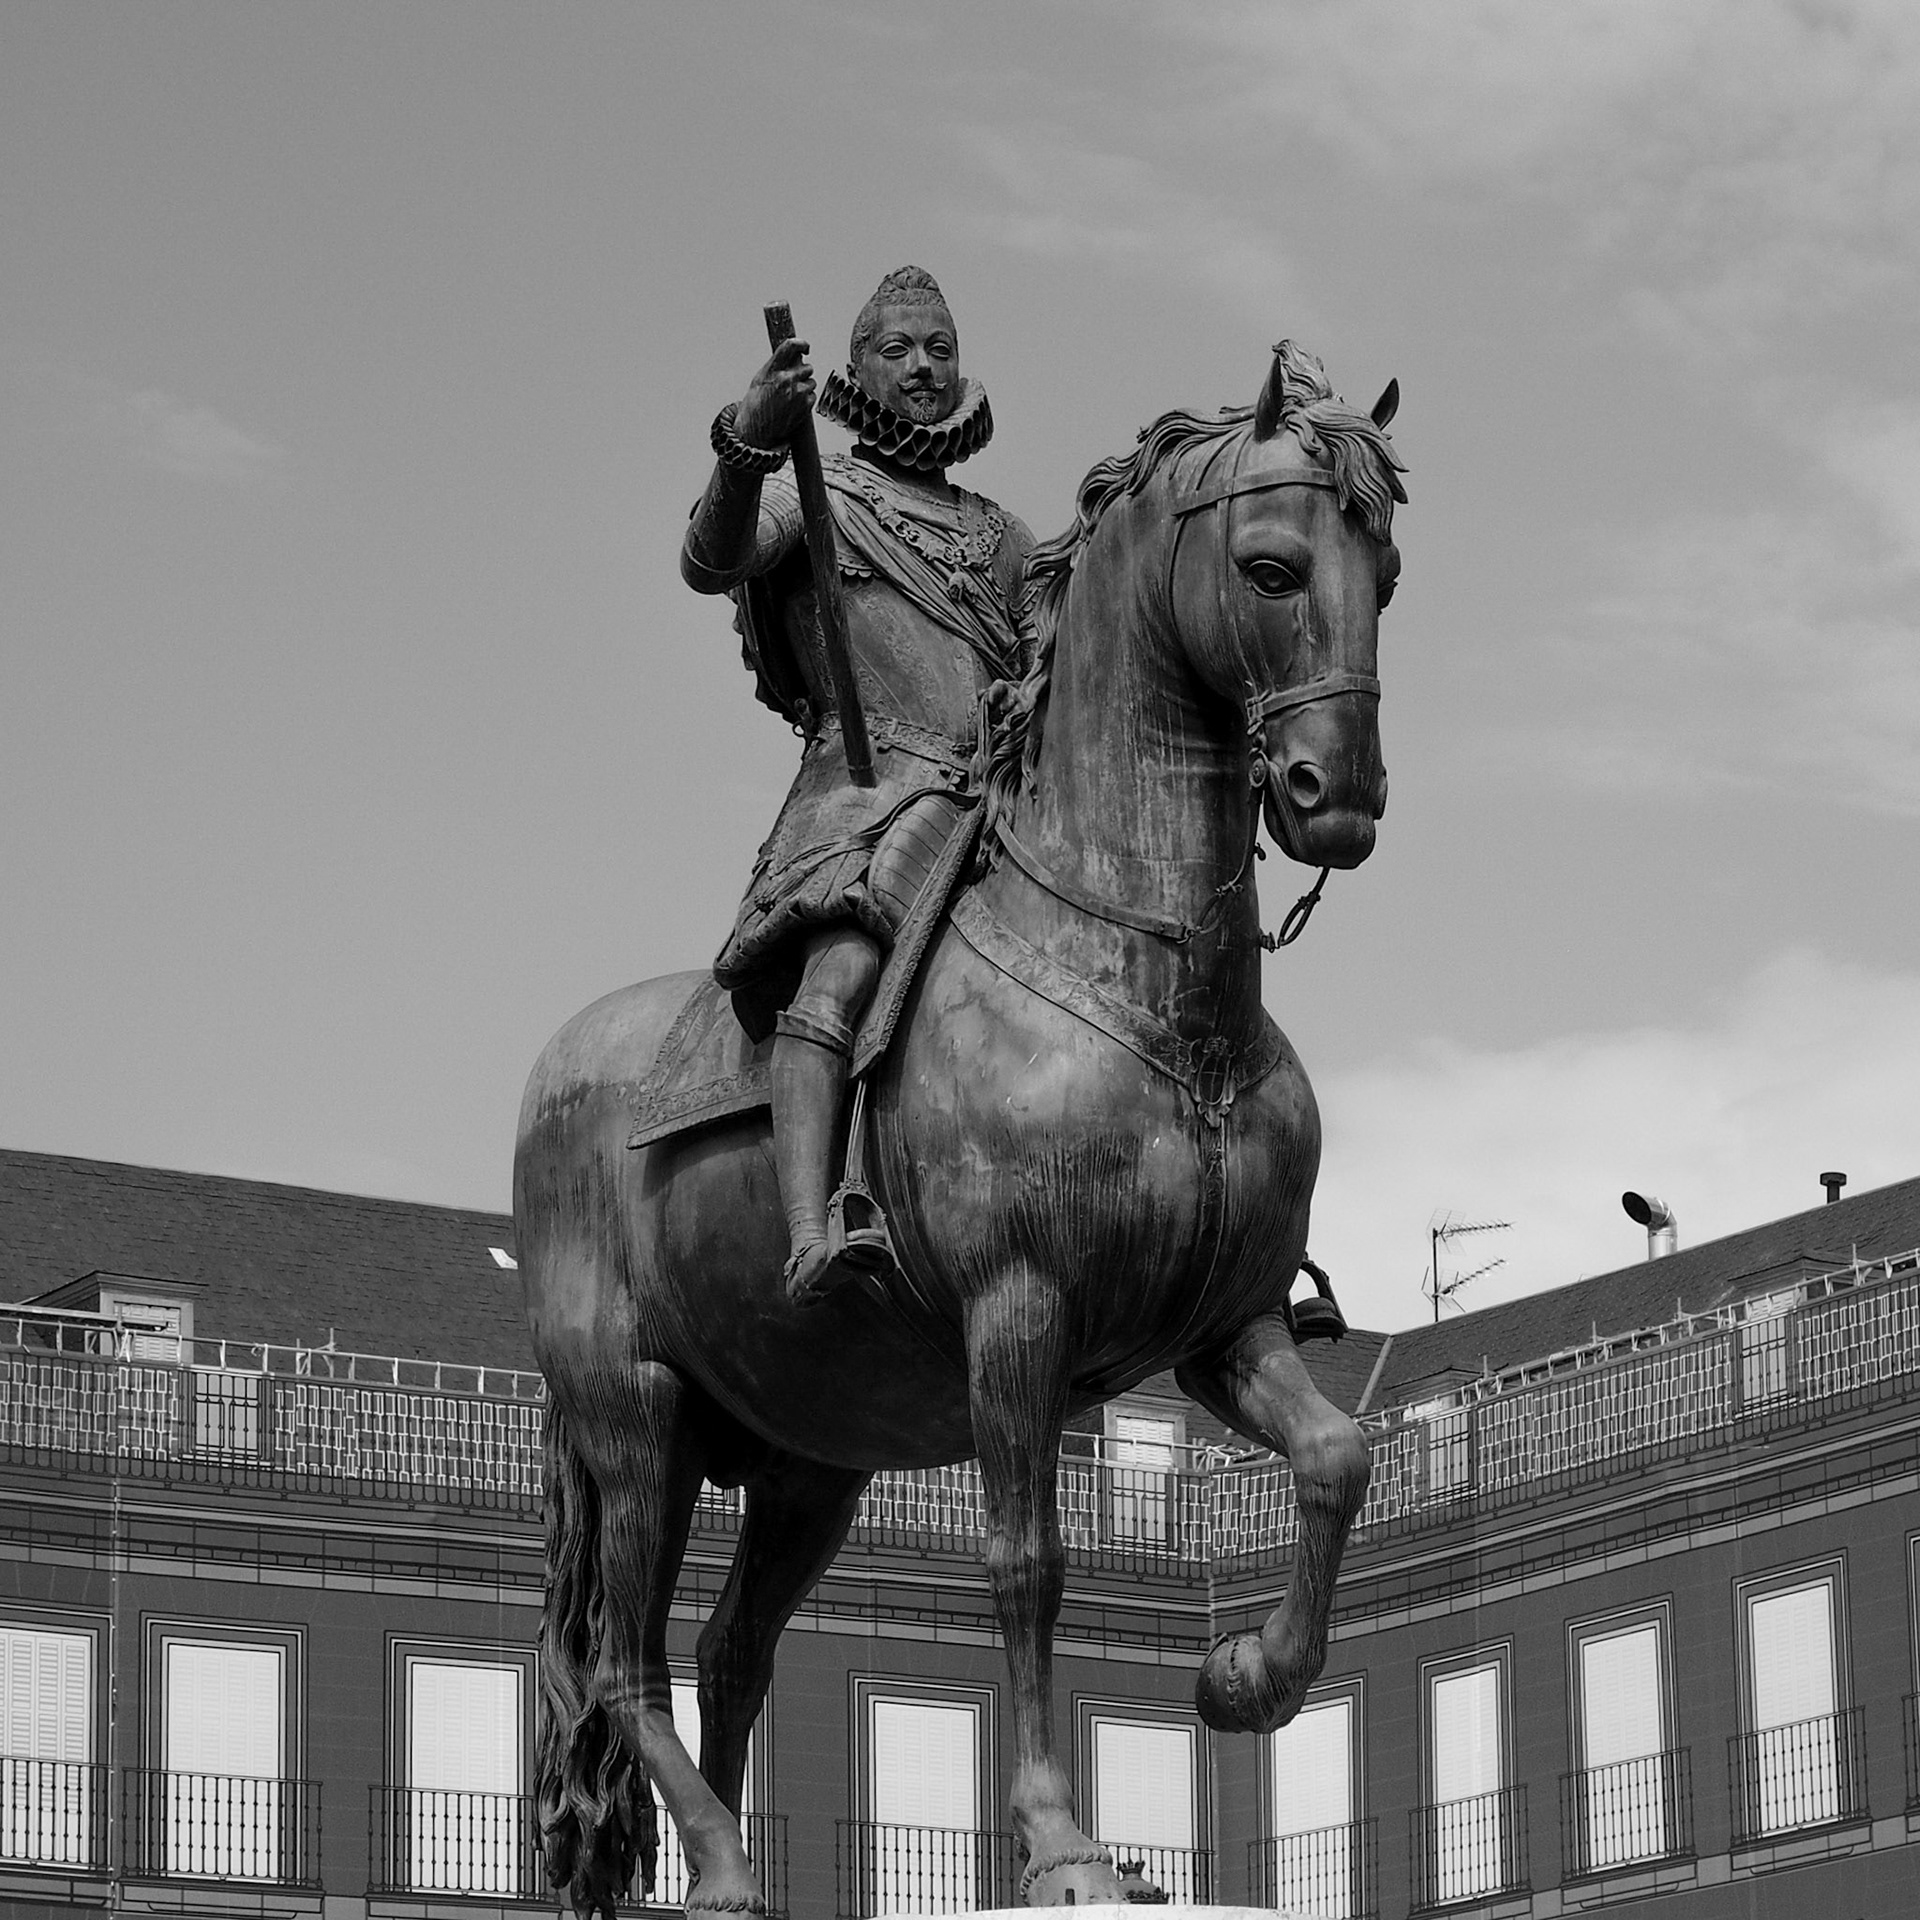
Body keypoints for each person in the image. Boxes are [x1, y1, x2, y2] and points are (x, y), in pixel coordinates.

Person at [682, 267, 1035, 1307]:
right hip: (862, 796)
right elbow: (715, 555)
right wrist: (748, 444)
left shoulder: (1002, 535)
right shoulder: (814, 491)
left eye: (940, 346)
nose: (925, 366)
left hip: (989, 804)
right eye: (898, 348)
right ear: (855, 370)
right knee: (841, 964)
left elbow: (1050, 665)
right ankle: (809, 1230)